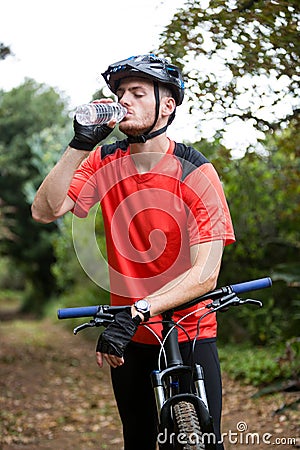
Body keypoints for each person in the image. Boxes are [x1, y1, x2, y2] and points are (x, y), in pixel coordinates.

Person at [32, 54, 235, 450]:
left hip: (190, 329)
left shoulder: (196, 172)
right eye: (120, 92)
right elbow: (44, 210)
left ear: (168, 105)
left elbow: (205, 274)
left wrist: (139, 309)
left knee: (206, 442)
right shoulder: (104, 161)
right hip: (131, 339)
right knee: (138, 440)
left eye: (138, 93)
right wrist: (79, 145)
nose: (124, 100)